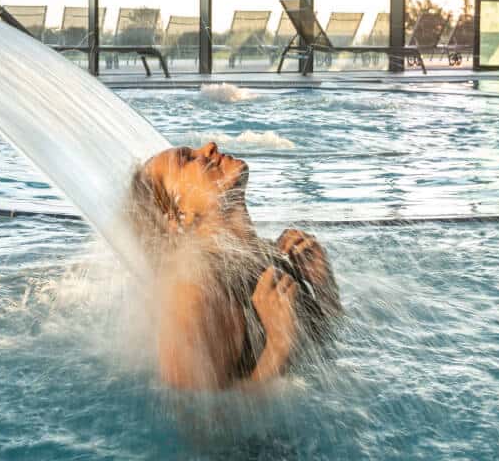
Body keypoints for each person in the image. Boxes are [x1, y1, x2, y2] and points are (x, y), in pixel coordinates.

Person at [129, 141, 341, 391]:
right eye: (186, 160)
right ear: (176, 217)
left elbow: (327, 346)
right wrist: (278, 347)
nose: (209, 147)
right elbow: (199, 420)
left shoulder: (268, 254)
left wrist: (325, 288)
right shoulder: (193, 291)